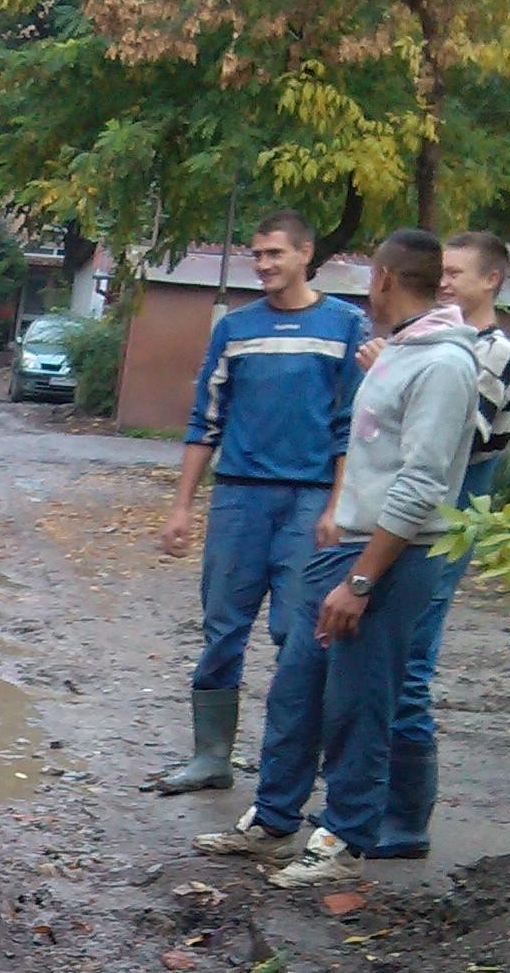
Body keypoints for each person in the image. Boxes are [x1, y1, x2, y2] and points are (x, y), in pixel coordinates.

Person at [195, 229, 482, 888]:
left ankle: (344, 839)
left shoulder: (444, 364)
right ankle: (274, 822)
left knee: (360, 701)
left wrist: (361, 579)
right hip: (351, 543)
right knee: (297, 685)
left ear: (383, 278)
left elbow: (421, 484)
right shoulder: (398, 352)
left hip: (394, 555)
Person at [150, 210, 369, 794]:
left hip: (309, 501)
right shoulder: (236, 329)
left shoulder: (346, 325)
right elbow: (205, 420)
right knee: (222, 628)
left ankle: (286, 768)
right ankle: (211, 757)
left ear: (306, 253)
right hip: (239, 497)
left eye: (275, 253)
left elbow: (351, 428)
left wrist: (337, 508)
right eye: (257, 255)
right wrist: (182, 507)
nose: (264, 265)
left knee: (297, 635)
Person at [370, 230, 510, 856]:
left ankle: (406, 820)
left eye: (457, 272)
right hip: (412, 514)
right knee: (385, 659)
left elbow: (459, 441)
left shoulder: (491, 353)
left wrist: (384, 374)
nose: (443, 281)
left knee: (410, 665)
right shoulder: (439, 342)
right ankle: (373, 804)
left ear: (492, 280)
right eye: (441, 270)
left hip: (449, 516)